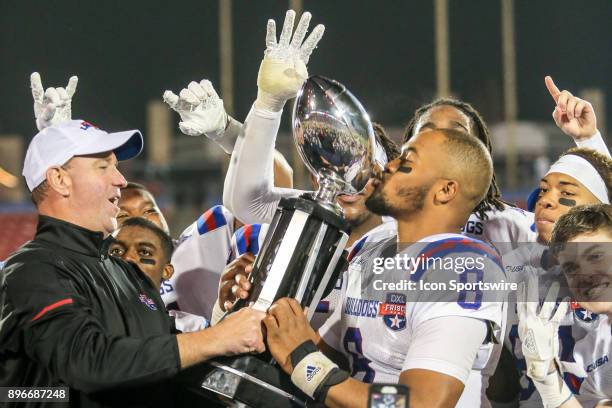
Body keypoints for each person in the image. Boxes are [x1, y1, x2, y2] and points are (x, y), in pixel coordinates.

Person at [0, 119, 265, 407]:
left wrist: (235, 324)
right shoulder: (31, 270)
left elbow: (165, 365)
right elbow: (90, 363)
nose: (121, 180)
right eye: (104, 167)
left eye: (116, 166)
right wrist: (217, 337)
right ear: (60, 180)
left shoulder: (127, 273)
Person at [263, 129, 506, 408]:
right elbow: (334, 356)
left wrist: (306, 365)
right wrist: (267, 309)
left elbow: (420, 404)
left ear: (445, 190)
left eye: (406, 164)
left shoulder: (463, 267)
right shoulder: (373, 246)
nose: (388, 165)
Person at [516, 204, 612, 407]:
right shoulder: (592, 352)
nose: (584, 275)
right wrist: (547, 377)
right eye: (571, 268)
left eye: (595, 256)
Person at [110, 216, 208, 332]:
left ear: (166, 271)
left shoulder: (193, 328)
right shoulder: (86, 315)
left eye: (144, 252)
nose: (128, 258)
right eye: (116, 251)